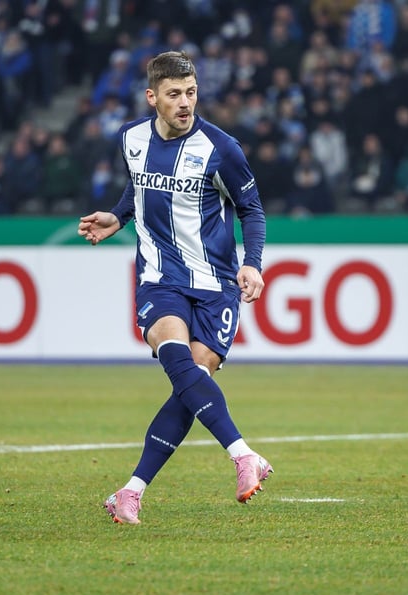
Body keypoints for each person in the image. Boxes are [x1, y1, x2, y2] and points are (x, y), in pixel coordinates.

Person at [77, 51, 272, 525]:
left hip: (216, 285)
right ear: (153, 97)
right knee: (177, 358)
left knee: (193, 383)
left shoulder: (222, 148)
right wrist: (118, 217)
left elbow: (252, 210)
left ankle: (130, 490)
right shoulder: (131, 138)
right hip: (158, 278)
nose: (185, 103)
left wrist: (252, 264)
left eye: (191, 93)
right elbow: (138, 188)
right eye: (174, 94)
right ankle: (243, 455)